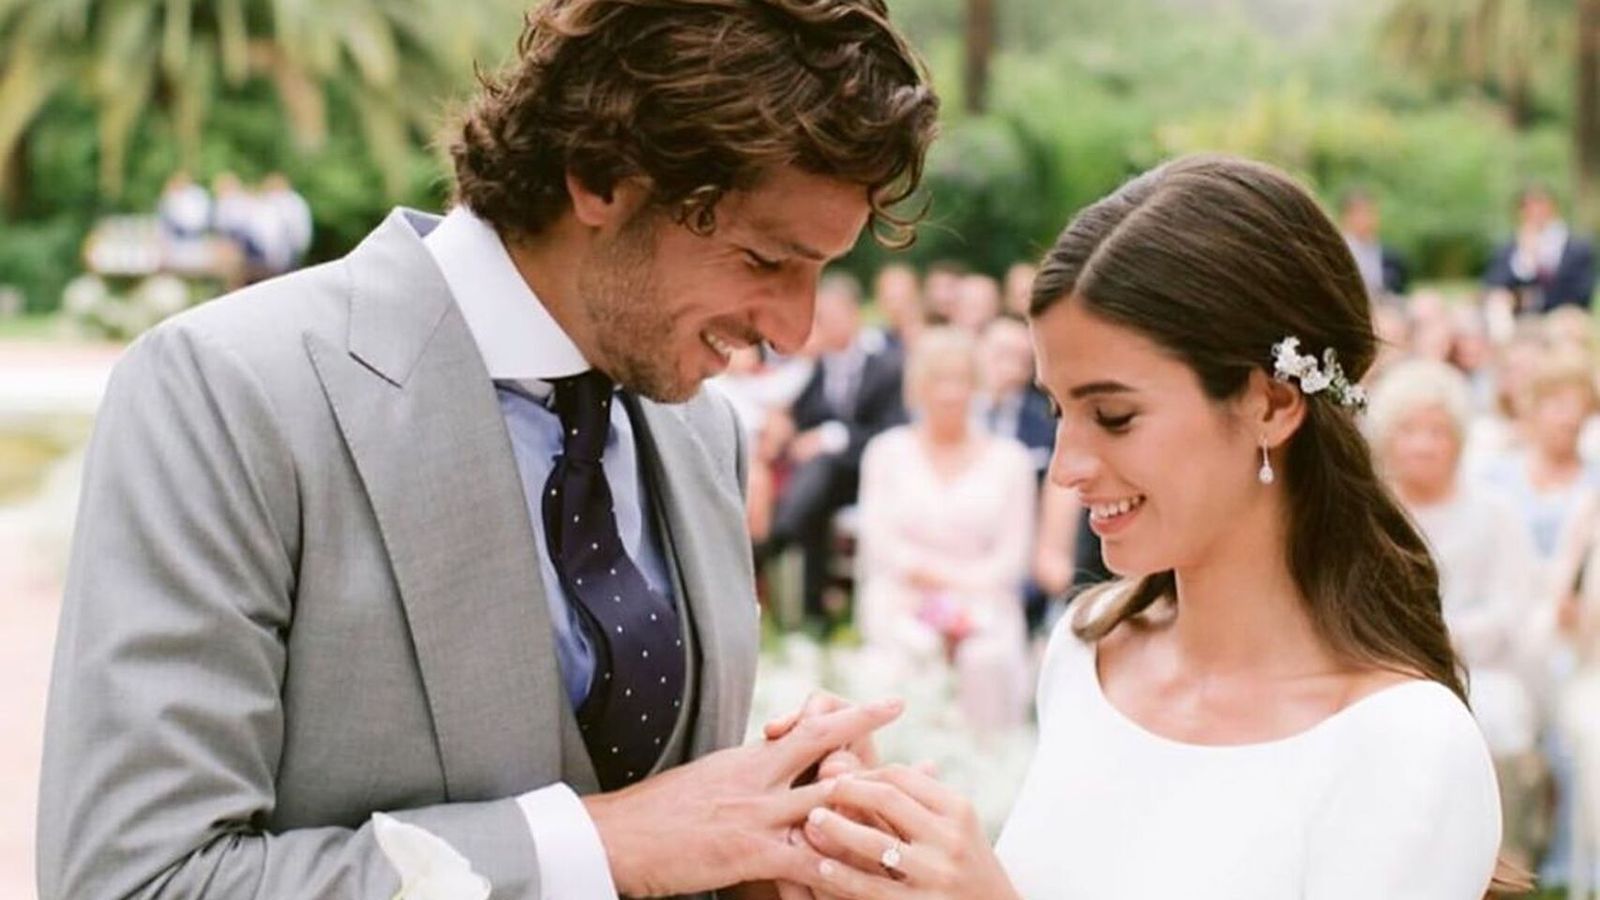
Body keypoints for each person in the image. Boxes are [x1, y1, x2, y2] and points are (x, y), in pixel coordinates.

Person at [35, 1, 939, 898]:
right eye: (764, 260)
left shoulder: (703, 432)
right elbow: (136, 880)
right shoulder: (228, 391)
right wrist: (600, 846)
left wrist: (763, 854)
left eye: (823, 271)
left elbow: (670, 827)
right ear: (601, 176)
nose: (794, 329)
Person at [795, 155, 1515, 899]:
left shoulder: (1405, 745)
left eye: (1113, 416)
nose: (1065, 467)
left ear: (1271, 404)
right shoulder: (1088, 651)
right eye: (1057, 410)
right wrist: (882, 854)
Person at [1368, 359, 1549, 871]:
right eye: (1409, 431)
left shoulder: (1495, 512)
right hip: (1385, 665)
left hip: (1481, 667)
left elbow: (1512, 606)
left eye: (1438, 432)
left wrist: (1450, 638)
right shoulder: (1370, 516)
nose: (1424, 445)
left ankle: (1500, 863)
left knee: (1496, 716)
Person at [855, 327, 1036, 732]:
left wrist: (959, 599)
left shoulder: (1011, 460)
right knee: (906, 653)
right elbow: (880, 544)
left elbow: (1012, 559)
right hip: (902, 596)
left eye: (961, 379)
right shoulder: (886, 452)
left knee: (985, 658)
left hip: (986, 602)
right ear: (918, 386)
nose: (951, 392)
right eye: (939, 379)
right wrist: (926, 587)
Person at [768, 272, 908, 621]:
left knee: (821, 469)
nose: (825, 325)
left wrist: (833, 437)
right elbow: (791, 420)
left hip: (866, 472)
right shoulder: (810, 370)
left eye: (832, 316)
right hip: (818, 483)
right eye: (820, 317)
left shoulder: (886, 368)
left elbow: (892, 433)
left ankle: (776, 539)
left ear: (854, 315)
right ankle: (813, 613)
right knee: (815, 489)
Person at [1485, 183, 1598, 314]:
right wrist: (1525, 258)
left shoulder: (1578, 246)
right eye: (1528, 207)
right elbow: (1493, 284)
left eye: (1540, 205)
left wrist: (1535, 300)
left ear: (1554, 207)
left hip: (1562, 312)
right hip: (1516, 314)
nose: (1535, 212)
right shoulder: (1509, 248)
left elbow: (1582, 293)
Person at [1338, 188, 1409, 301]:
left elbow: (1400, 289)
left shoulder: (1391, 256)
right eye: (1358, 213)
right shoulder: (1338, 253)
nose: (1364, 219)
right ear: (1345, 217)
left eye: (1369, 212)